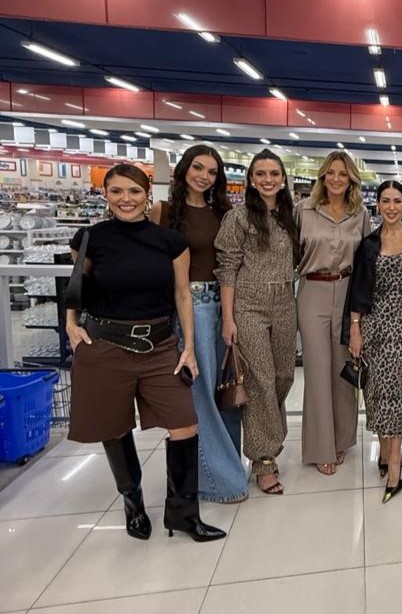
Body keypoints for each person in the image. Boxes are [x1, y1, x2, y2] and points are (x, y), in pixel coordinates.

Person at [65, 164, 225, 542]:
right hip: (106, 345)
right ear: (105, 195)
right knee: (114, 426)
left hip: (159, 345)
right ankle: (132, 501)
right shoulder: (89, 238)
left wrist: (189, 347)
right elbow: (78, 287)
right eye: (117, 191)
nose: (126, 199)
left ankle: (183, 513)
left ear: (147, 194)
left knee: (184, 424)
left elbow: (182, 295)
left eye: (134, 191)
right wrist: (71, 324)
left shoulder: (169, 241)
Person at [150, 144, 248, 505]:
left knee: (228, 391)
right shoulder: (163, 211)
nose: (204, 176)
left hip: (224, 305)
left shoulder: (224, 213)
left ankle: (228, 467)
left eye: (211, 171)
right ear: (184, 170)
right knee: (200, 394)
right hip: (190, 308)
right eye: (197, 168)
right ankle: (220, 481)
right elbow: (149, 259)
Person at [216, 150, 300, 495]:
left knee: (283, 375)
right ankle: (264, 459)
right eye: (261, 174)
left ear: (283, 179)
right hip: (249, 304)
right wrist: (228, 317)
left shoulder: (289, 216)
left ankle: (270, 438)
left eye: (274, 174)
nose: (268, 180)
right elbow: (227, 268)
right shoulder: (238, 218)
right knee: (261, 379)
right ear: (251, 179)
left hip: (285, 301)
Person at [345, 180, 402, 502]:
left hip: (400, 322)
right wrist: (355, 328)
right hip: (370, 321)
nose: (392, 207)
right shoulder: (369, 243)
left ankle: (396, 462)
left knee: (390, 389)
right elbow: (358, 287)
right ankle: (384, 450)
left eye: (397, 201)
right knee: (372, 389)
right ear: (378, 205)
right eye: (386, 201)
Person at [296, 151, 371, 475]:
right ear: (323, 176)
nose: (337, 179)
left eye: (343, 174)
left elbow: (367, 262)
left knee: (343, 370)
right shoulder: (304, 210)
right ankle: (320, 447)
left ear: (351, 179)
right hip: (313, 292)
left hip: (348, 292)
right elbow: (291, 253)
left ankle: (341, 440)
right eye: (331, 173)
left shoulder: (360, 214)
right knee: (316, 372)